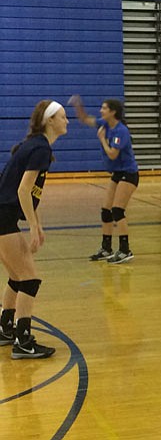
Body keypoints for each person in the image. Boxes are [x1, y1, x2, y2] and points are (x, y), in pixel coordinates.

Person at [0, 100, 68, 359]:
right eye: (62, 116)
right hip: (4, 215)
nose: (67, 121)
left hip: (3, 215)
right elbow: (22, 190)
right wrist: (31, 226)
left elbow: (31, 195)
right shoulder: (39, 148)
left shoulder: (36, 146)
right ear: (49, 120)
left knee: (18, 276)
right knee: (29, 278)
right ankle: (23, 341)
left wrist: (37, 224)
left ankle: (6, 328)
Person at [69, 95, 139, 264]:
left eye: (104, 108)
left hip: (128, 174)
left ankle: (125, 250)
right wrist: (78, 106)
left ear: (113, 112)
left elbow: (112, 154)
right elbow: (86, 119)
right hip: (117, 173)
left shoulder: (120, 131)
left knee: (117, 211)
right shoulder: (105, 124)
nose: (101, 110)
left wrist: (101, 139)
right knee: (106, 211)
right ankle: (106, 248)